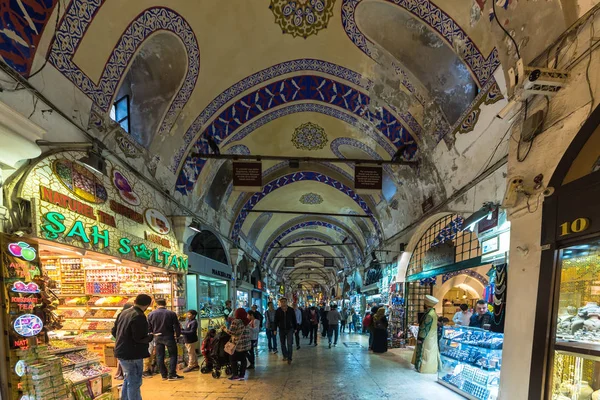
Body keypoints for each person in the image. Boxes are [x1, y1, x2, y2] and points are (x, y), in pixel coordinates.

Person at [112, 294, 154, 400]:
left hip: (121, 351)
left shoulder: (123, 312)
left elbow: (113, 331)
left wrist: (123, 339)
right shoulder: (139, 316)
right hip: (132, 354)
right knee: (135, 382)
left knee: (128, 379)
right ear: (148, 305)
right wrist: (150, 337)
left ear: (135, 301)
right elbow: (138, 337)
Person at [147, 299, 183, 381]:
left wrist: (152, 335)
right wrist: (177, 335)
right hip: (169, 337)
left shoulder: (151, 314)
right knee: (173, 355)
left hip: (157, 337)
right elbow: (176, 326)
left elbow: (149, 328)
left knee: (160, 356)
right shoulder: (171, 313)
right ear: (165, 304)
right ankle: (172, 374)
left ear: (157, 304)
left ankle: (164, 375)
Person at [412, 295, 440, 374]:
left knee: (426, 353)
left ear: (427, 304)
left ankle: (424, 368)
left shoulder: (429, 315)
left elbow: (425, 327)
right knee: (431, 352)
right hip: (432, 337)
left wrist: (421, 338)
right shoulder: (433, 313)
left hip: (427, 337)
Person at [224, 308, 251, 381]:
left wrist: (224, 329)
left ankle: (235, 375)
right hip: (246, 344)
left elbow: (231, 332)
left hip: (238, 345)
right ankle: (242, 375)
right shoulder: (247, 321)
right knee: (243, 359)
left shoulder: (236, 321)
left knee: (232, 359)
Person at [274, 297, 297, 364]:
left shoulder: (291, 310)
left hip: (290, 329)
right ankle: (285, 356)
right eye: (282, 302)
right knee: (282, 344)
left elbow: (294, 319)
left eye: (284, 301)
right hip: (281, 329)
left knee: (289, 344)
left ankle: (289, 358)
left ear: (286, 302)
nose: (283, 303)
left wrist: (295, 328)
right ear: (280, 303)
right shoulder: (278, 310)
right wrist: (275, 329)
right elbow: (275, 321)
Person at [113, 303, 133, 380]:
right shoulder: (128, 316)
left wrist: (118, 337)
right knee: (124, 361)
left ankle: (121, 374)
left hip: (120, 342)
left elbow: (113, 330)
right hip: (124, 343)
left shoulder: (121, 316)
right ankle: (121, 374)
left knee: (122, 361)